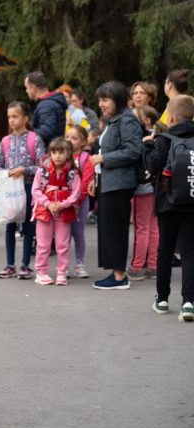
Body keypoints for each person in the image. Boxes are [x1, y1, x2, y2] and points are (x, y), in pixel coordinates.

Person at [89, 80, 143, 290]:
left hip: (120, 183)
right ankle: (116, 272)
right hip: (108, 181)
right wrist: (96, 178)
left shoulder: (126, 120)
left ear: (117, 99)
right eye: (100, 100)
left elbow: (133, 151)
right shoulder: (114, 120)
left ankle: (119, 276)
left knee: (116, 229)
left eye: (105, 99)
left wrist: (104, 160)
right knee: (108, 228)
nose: (101, 104)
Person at [145, 94, 194, 320]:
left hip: (167, 202)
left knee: (164, 250)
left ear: (171, 116)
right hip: (192, 203)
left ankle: (162, 299)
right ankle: (188, 303)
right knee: (189, 252)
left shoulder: (164, 139)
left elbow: (152, 167)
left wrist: (148, 147)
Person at [0, 101, 45, 280]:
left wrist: (25, 170)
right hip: (10, 189)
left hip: (29, 187)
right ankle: (10, 264)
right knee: (10, 224)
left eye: (15, 116)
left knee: (28, 225)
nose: (12, 120)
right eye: (9, 117)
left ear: (25, 118)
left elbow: (42, 166)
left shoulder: (34, 139)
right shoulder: (5, 141)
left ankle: (25, 264)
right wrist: (5, 173)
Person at [31, 137, 82, 286]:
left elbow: (76, 194)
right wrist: (48, 204)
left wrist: (63, 205)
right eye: (54, 152)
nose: (57, 156)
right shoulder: (42, 170)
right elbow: (35, 190)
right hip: (44, 210)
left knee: (62, 244)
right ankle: (41, 272)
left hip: (64, 211)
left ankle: (62, 272)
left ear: (68, 153)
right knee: (43, 243)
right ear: (50, 153)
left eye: (61, 152)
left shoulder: (73, 172)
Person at [129, 105, 162, 281]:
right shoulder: (159, 136)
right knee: (153, 228)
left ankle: (136, 266)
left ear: (145, 120)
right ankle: (153, 265)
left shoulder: (141, 138)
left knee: (141, 228)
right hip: (157, 187)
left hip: (142, 188)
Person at [66, 125, 95, 278]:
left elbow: (86, 181)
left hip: (81, 203)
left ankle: (79, 263)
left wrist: (77, 201)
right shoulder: (62, 156)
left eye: (74, 138)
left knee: (78, 232)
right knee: (63, 234)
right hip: (64, 201)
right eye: (67, 137)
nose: (69, 141)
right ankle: (63, 265)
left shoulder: (86, 158)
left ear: (83, 142)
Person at [25, 71, 68, 148]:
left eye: (27, 88)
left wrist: (27, 133)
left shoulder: (46, 106)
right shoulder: (49, 103)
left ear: (33, 88)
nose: (26, 91)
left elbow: (47, 131)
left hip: (49, 152)